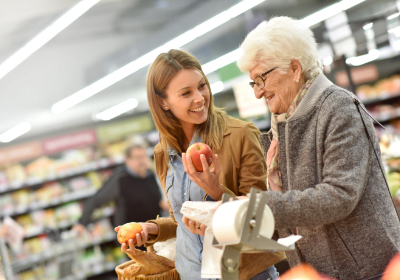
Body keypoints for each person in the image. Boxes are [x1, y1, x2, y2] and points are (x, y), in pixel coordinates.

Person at [235, 16, 400, 280]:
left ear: (294, 68)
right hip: (318, 271)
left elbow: (340, 195)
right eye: (253, 82)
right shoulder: (283, 124)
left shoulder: (339, 107)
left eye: (261, 79)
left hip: (366, 270)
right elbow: (294, 215)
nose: (257, 92)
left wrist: (266, 204)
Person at [116, 49, 286, 280]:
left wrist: (216, 190)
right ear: (162, 102)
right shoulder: (163, 153)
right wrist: (152, 230)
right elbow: (183, 220)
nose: (199, 98)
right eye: (186, 93)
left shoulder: (239, 135)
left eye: (202, 86)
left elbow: (260, 219)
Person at [73, 145, 168, 240]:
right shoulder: (120, 179)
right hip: (132, 238)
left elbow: (157, 199)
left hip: (155, 233)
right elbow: (95, 200)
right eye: (138, 158)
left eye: (144, 156)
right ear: (127, 160)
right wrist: (82, 223)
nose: (142, 161)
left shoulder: (150, 175)